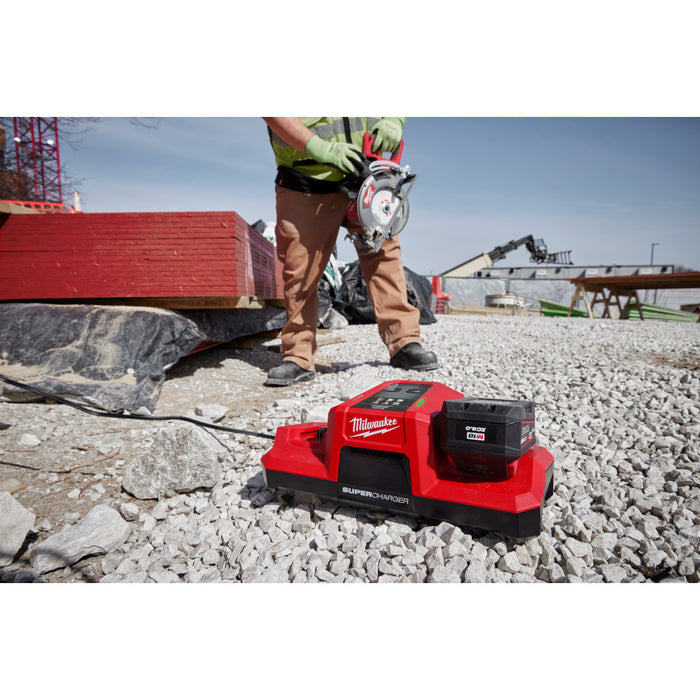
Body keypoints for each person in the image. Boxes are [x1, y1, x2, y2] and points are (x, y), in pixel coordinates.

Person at [263, 117, 439, 386]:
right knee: (300, 270)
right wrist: (318, 147)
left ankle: (404, 342)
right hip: (307, 177)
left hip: (366, 173)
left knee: (384, 257)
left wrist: (393, 119)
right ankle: (298, 355)